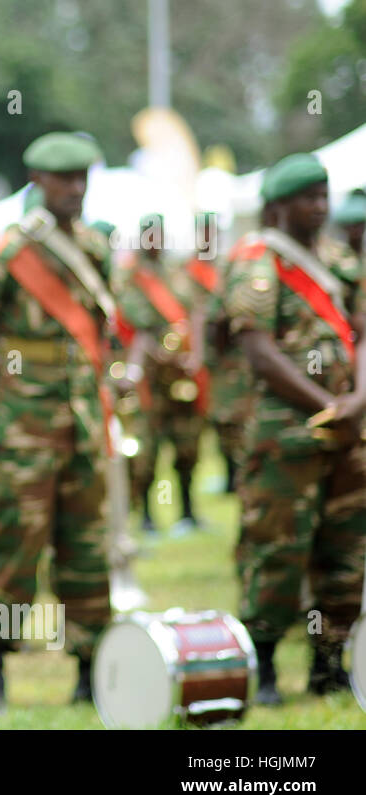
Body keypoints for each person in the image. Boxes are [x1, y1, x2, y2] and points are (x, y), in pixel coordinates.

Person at [0, 132, 114, 711]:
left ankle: (88, 668)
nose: (75, 189)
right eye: (64, 180)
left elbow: (101, 333)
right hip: (19, 427)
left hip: (80, 419)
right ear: (39, 182)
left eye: (82, 179)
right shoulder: (5, 252)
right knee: (13, 544)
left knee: (86, 545)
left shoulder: (95, 248)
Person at [223, 153, 365, 705]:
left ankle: (327, 663)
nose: (321, 208)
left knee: (345, 549)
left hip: (348, 433)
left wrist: (356, 402)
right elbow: (258, 353)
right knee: (277, 548)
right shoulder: (258, 264)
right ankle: (262, 667)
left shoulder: (339, 263)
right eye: (309, 198)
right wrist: (330, 404)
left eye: (324, 197)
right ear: (280, 205)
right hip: (286, 435)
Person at [113, 213, 207, 534]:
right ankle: (148, 516)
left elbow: (194, 312)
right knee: (146, 450)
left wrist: (193, 355)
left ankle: (188, 511)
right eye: (150, 236)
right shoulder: (130, 277)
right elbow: (135, 326)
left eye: (160, 235)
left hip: (180, 378)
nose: (156, 242)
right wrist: (162, 356)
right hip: (149, 377)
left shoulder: (176, 273)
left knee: (188, 445)